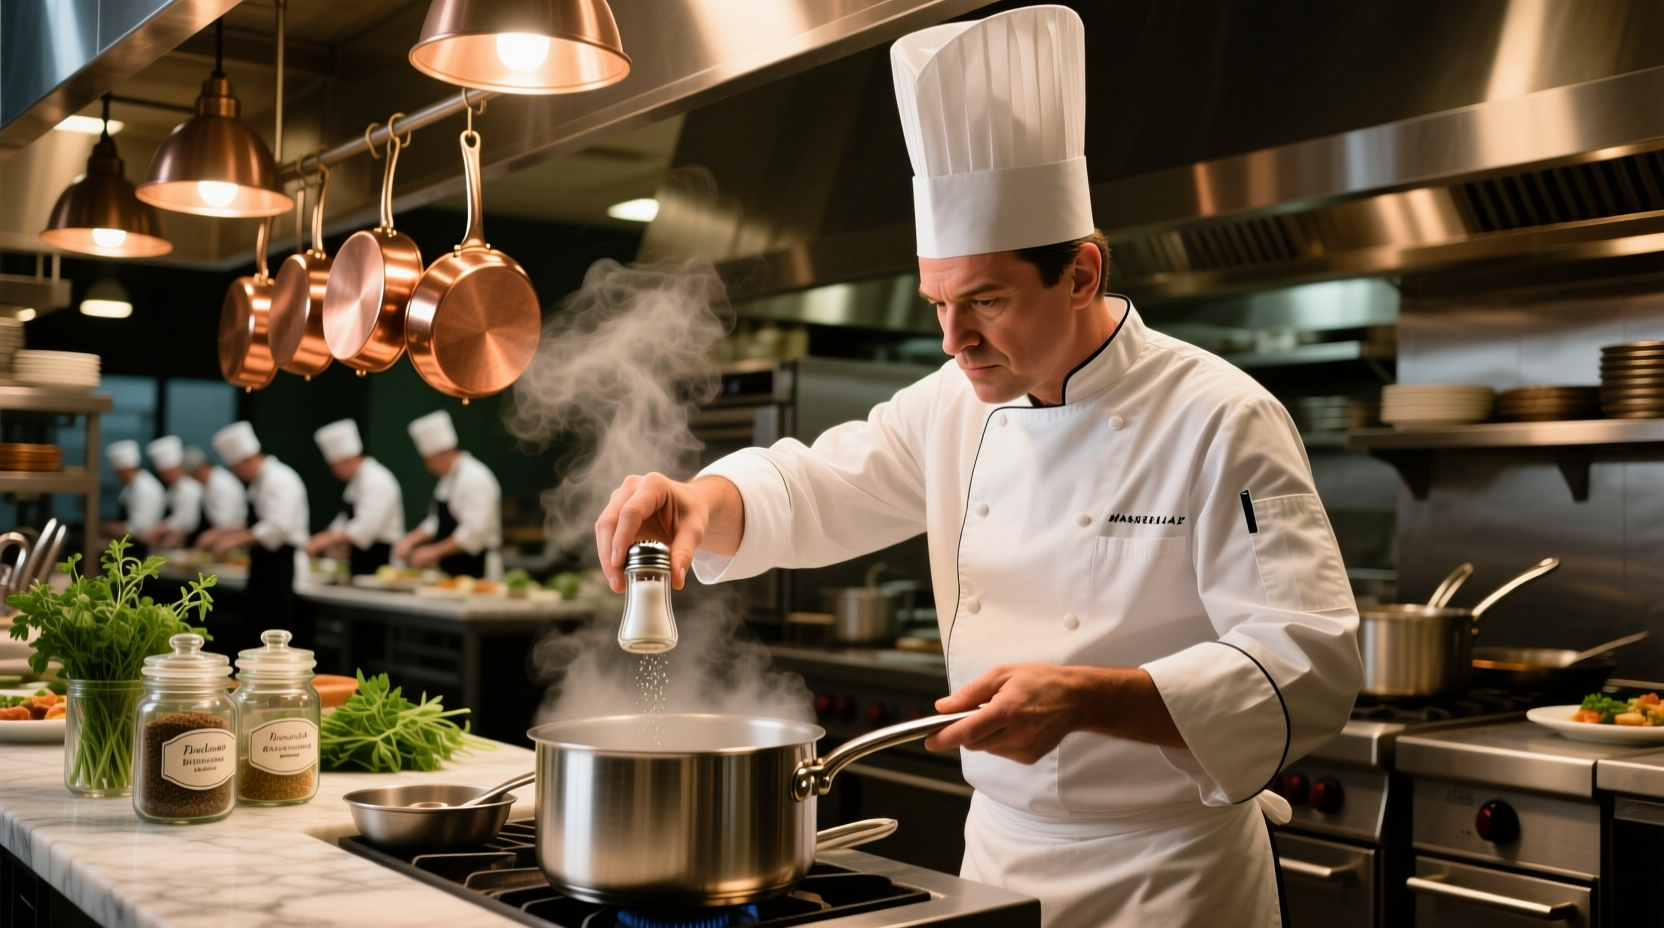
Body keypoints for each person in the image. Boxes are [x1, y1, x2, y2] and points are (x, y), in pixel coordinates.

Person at [593, 7, 1361, 927]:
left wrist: (1091, 698)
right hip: (999, 856)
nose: (954, 340)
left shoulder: (1220, 416)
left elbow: (1309, 659)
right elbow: (817, 485)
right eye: (937, 304)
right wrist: (698, 500)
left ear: (1080, 274)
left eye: (986, 301)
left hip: (1169, 879)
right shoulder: (953, 403)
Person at [200, 421, 310, 628]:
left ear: (249, 459)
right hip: (264, 566)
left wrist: (231, 541)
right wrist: (220, 532)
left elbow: (277, 528)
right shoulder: (260, 481)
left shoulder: (279, 479)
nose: (236, 473)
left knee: (273, 628)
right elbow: (254, 521)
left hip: (282, 568)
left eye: (236, 468)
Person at [393, 410, 502, 579]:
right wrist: (411, 539)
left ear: (445, 453)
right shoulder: (448, 479)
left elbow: (473, 533)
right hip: (454, 569)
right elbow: (437, 521)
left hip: (479, 569)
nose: (427, 466)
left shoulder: (475, 477)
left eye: (429, 460)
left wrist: (432, 552)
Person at [305, 418, 404, 576]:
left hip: (381, 563)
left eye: (335, 466)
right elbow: (343, 521)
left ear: (349, 459)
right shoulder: (355, 483)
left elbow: (364, 530)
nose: (333, 472)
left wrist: (323, 540)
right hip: (360, 563)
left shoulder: (377, 480)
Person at [137, 435, 202, 551]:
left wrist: (159, 529)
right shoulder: (173, 488)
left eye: (164, 472)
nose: (162, 476)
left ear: (176, 468)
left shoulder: (190, 488)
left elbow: (186, 522)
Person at [101, 440, 165, 557]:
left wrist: (105, 529)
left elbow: (139, 528)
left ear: (124, 470)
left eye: (116, 472)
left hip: (139, 548)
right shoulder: (133, 485)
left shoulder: (144, 487)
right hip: (132, 545)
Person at [184, 444, 247, 543]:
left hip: (234, 539)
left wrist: (209, 536)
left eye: (194, 475)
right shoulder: (211, 482)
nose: (194, 480)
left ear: (203, 468)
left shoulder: (221, 484)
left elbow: (226, 523)